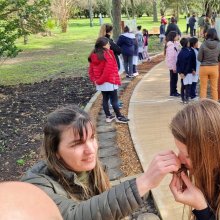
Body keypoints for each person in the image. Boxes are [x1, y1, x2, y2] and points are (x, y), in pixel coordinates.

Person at [21, 105, 181, 220]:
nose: (90, 149)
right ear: (55, 151)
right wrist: (144, 182)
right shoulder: (37, 186)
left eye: (92, 138)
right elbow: (74, 215)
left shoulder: (92, 169)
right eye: (77, 143)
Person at [88, 37, 129, 123]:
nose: (110, 45)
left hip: (101, 82)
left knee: (105, 99)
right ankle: (119, 116)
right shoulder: (108, 54)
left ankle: (108, 116)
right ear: (103, 45)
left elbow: (91, 70)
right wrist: (99, 80)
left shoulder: (93, 54)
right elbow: (108, 71)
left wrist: (96, 80)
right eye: (108, 44)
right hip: (109, 81)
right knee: (114, 99)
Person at [98, 23, 123, 109]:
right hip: (111, 66)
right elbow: (119, 50)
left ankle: (112, 104)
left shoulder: (100, 40)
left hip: (103, 67)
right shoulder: (107, 41)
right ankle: (114, 103)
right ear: (110, 31)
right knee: (112, 87)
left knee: (106, 93)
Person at [197, 28, 220, 101]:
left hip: (204, 68)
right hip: (214, 68)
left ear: (207, 34)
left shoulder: (203, 44)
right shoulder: (219, 45)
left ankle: (202, 105)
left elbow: (199, 58)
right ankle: (215, 105)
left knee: (203, 88)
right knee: (214, 88)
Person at [176, 38, 196, 104]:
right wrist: (193, 69)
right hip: (187, 72)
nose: (189, 43)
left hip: (184, 72)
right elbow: (192, 62)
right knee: (187, 86)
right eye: (188, 42)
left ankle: (183, 98)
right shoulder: (189, 52)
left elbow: (178, 63)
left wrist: (180, 72)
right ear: (186, 44)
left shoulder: (181, 52)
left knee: (184, 85)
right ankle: (186, 98)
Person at [165, 31, 181, 97]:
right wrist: (174, 67)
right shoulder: (171, 46)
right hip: (173, 65)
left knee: (175, 79)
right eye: (177, 36)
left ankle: (174, 91)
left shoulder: (174, 44)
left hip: (174, 65)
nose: (178, 37)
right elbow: (172, 58)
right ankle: (173, 92)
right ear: (173, 37)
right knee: (173, 79)